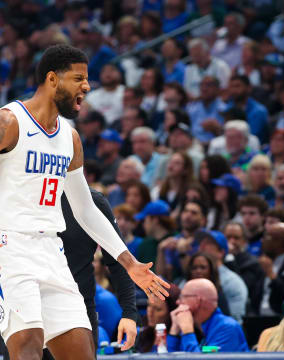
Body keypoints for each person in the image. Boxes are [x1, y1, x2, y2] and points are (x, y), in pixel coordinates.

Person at [0, 44, 169, 360]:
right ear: (52, 79)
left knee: (81, 350)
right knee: (27, 346)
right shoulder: (9, 122)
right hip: (9, 249)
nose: (87, 87)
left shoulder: (70, 137)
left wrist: (129, 262)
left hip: (52, 251)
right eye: (78, 79)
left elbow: (85, 209)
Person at [167, 279, 249, 352]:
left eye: (182, 297)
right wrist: (174, 331)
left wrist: (188, 332)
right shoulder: (202, 327)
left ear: (197, 301)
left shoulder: (228, 328)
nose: (178, 302)